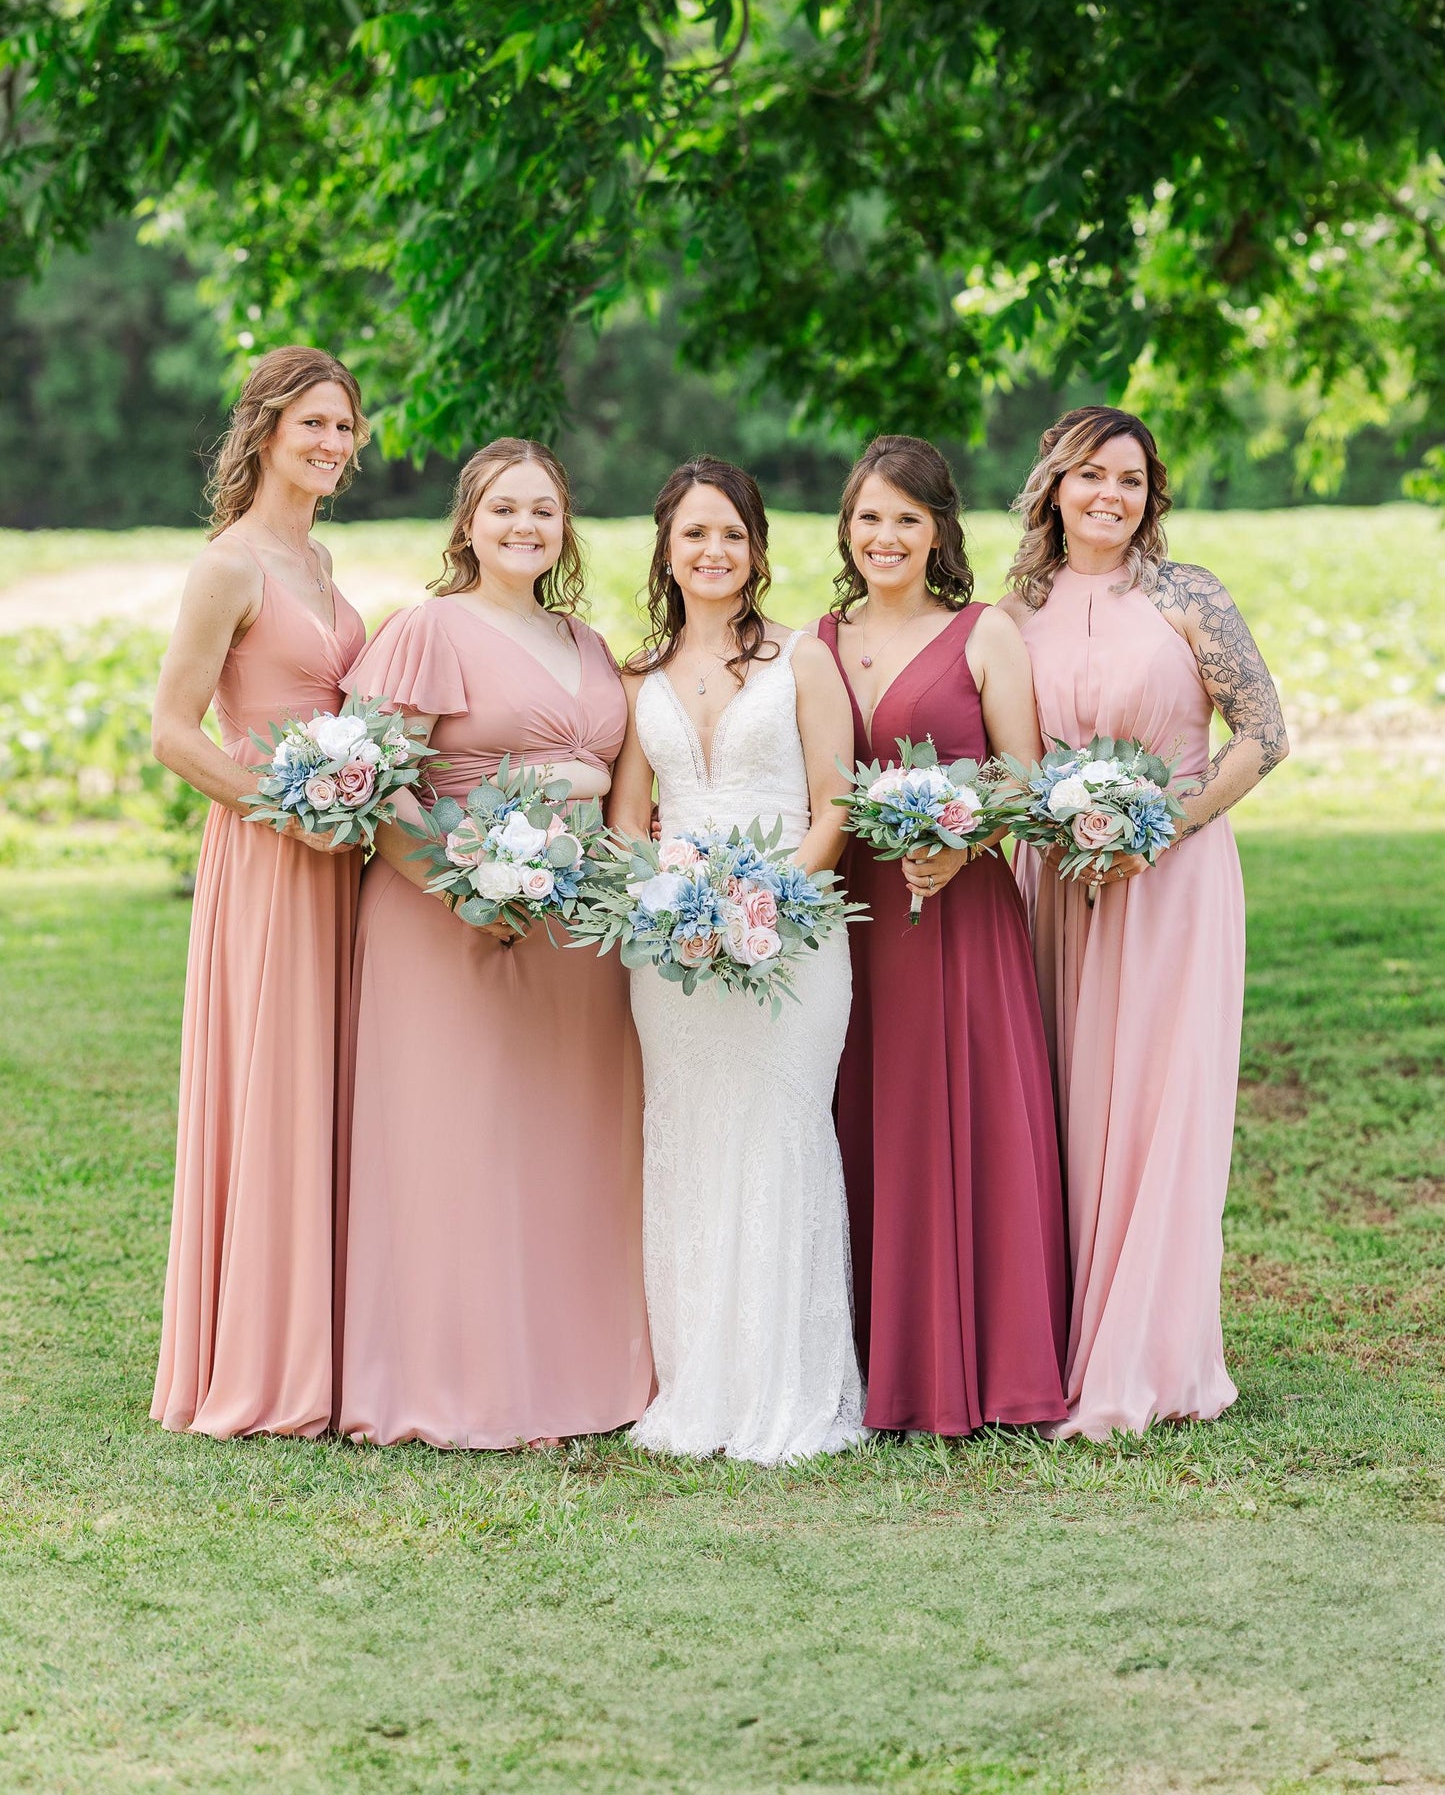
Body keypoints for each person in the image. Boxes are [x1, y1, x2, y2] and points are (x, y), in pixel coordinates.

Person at [336, 438, 652, 1448]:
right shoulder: (425, 630)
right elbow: (368, 786)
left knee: (567, 1145)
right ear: (466, 521)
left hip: (575, 933)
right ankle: (466, 1384)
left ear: (565, 528)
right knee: (463, 1144)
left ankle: (580, 1373)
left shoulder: (590, 644)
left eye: (544, 511)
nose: (525, 525)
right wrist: (460, 888)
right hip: (450, 923)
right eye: (505, 508)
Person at [1001, 405, 1288, 1439]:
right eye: (1088, 475)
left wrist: (1158, 827)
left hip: (1168, 881)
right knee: (1067, 1100)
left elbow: (1263, 733)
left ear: (1149, 494)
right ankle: (1055, 1342)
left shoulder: (1185, 596)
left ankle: (1147, 1356)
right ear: (1053, 486)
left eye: (1127, 478)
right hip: (1055, 883)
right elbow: (1002, 751)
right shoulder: (1014, 608)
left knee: (1159, 1104)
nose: (1107, 495)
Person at [607, 457, 864, 1465]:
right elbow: (629, 815)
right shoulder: (642, 675)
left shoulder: (802, 659)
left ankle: (788, 1390)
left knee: (779, 1129)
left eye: (730, 534)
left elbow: (836, 802)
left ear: (756, 548)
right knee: (689, 1135)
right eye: (692, 535)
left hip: (792, 936)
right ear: (666, 551)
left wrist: (767, 899)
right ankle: (699, 1388)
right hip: (671, 948)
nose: (712, 552)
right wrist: (672, 897)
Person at [817, 435, 1067, 1435]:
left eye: (904, 519)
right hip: (855, 915)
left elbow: (1021, 773)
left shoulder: (982, 632)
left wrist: (960, 847)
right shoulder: (817, 639)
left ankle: (983, 1360)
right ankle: (874, 1356)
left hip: (957, 912)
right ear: (846, 524)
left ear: (936, 532)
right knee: (863, 1113)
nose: (884, 535)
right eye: (868, 516)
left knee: (959, 1114)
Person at [150, 345, 368, 1437]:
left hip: (343, 864)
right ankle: (257, 1360)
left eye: (344, 427)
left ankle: (323, 1342)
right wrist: (290, 810)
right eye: (313, 424)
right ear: (267, 431)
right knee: (273, 1086)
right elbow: (173, 734)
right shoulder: (228, 566)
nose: (331, 444)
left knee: (329, 1086)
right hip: (270, 854)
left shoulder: (322, 563)